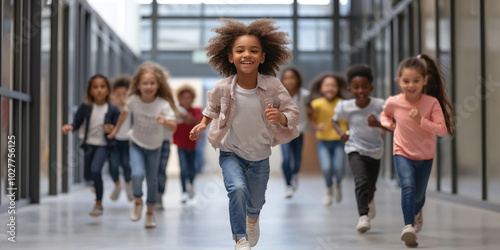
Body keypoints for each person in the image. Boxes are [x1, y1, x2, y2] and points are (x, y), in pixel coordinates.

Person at [189, 18, 299, 250]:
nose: (246, 54)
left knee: (256, 201)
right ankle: (240, 237)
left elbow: (292, 111)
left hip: (260, 155)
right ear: (230, 56)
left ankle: (252, 217)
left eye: (253, 50)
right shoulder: (222, 87)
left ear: (263, 57)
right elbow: (212, 108)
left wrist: (281, 117)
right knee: (236, 189)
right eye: (240, 50)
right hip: (231, 152)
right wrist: (202, 124)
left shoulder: (273, 86)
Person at [380, 54, 455, 247]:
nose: (411, 85)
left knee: (419, 196)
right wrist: (388, 124)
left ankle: (416, 210)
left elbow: (441, 130)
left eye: (416, 80)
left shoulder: (431, 103)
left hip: (425, 155)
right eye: (406, 81)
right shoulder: (394, 101)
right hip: (401, 152)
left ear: (425, 80)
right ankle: (408, 227)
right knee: (408, 187)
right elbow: (384, 115)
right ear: (399, 81)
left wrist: (421, 120)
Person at [107, 62, 178, 229]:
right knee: (137, 175)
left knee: (152, 181)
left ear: (158, 85)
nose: (148, 86)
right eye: (145, 83)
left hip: (155, 146)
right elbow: (123, 116)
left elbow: (173, 126)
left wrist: (165, 121)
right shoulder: (134, 100)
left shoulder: (163, 104)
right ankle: (138, 202)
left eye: (152, 83)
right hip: (137, 143)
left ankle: (150, 213)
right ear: (138, 85)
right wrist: (115, 131)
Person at [331, 65, 386, 233]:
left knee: (370, 186)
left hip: (375, 150)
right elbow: (334, 121)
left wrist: (378, 125)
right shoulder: (345, 106)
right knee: (360, 181)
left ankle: (370, 199)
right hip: (355, 148)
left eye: (364, 87)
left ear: (371, 88)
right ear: (350, 89)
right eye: (356, 87)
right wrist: (341, 133)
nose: (360, 90)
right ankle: (363, 216)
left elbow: (390, 123)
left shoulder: (380, 105)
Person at [62, 74, 120, 217]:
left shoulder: (113, 109)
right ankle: (96, 184)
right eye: (95, 87)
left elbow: (116, 128)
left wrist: (111, 129)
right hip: (89, 145)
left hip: (104, 145)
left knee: (95, 170)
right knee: (87, 175)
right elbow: (77, 122)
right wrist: (70, 127)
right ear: (90, 91)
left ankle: (98, 204)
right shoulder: (85, 107)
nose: (99, 90)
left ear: (108, 90)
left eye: (102, 87)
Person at [308, 72, 348, 206]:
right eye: (327, 85)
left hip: (339, 141)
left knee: (339, 167)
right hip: (323, 142)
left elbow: (350, 119)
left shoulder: (343, 103)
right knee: (326, 168)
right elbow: (311, 120)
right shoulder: (316, 104)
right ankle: (328, 189)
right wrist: (316, 125)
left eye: (333, 85)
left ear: (338, 88)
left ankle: (338, 184)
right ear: (321, 88)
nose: (330, 88)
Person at [279, 66, 311, 198]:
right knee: (286, 159)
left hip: (299, 131)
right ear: (282, 80)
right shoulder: (279, 95)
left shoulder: (305, 95)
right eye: (286, 78)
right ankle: (288, 185)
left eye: (292, 77)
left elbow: (311, 111)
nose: (289, 80)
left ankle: (295, 174)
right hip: (284, 132)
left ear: (297, 79)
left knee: (297, 161)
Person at [173, 84, 202, 203]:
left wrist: (186, 117)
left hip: (193, 144)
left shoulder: (197, 110)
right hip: (180, 143)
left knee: (192, 167)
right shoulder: (175, 110)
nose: (186, 100)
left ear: (193, 98)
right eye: (183, 97)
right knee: (183, 167)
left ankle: (191, 184)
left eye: (188, 97)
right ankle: (183, 191)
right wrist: (184, 117)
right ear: (179, 98)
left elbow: (197, 122)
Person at [108, 75, 134, 202]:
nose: (121, 98)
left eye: (124, 94)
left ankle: (128, 185)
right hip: (114, 141)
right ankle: (117, 185)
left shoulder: (132, 110)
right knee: (113, 164)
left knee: (126, 164)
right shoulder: (111, 110)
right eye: (118, 95)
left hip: (128, 142)